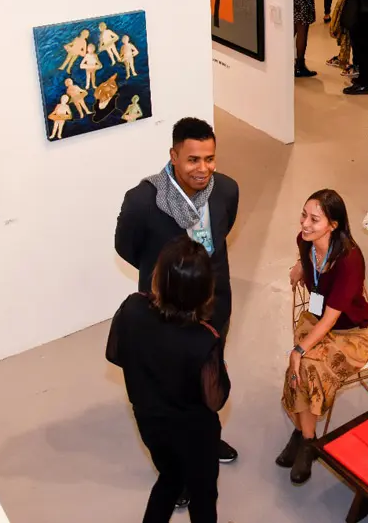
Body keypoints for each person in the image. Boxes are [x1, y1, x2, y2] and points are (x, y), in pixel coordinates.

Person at [115, 117, 239, 479]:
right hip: (163, 314)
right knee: (164, 389)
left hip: (213, 306)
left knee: (204, 381)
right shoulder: (143, 200)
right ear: (173, 156)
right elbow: (127, 248)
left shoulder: (226, 190)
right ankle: (173, 467)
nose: (203, 169)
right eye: (193, 160)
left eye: (210, 159)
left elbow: (223, 229)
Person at [106, 237, 230, 523]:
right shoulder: (204, 340)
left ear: (159, 278)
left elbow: (115, 354)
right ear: (204, 291)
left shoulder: (133, 308)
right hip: (194, 434)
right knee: (203, 496)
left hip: (151, 423)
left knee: (170, 479)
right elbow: (216, 399)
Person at [276, 189, 368, 485]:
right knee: (301, 366)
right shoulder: (304, 242)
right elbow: (307, 258)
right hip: (318, 321)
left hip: (351, 333)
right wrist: (299, 265)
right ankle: (306, 436)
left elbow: (333, 318)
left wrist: (299, 349)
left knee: (304, 364)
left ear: (333, 225)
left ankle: (306, 441)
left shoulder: (349, 260)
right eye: (304, 215)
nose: (305, 224)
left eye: (314, 219)